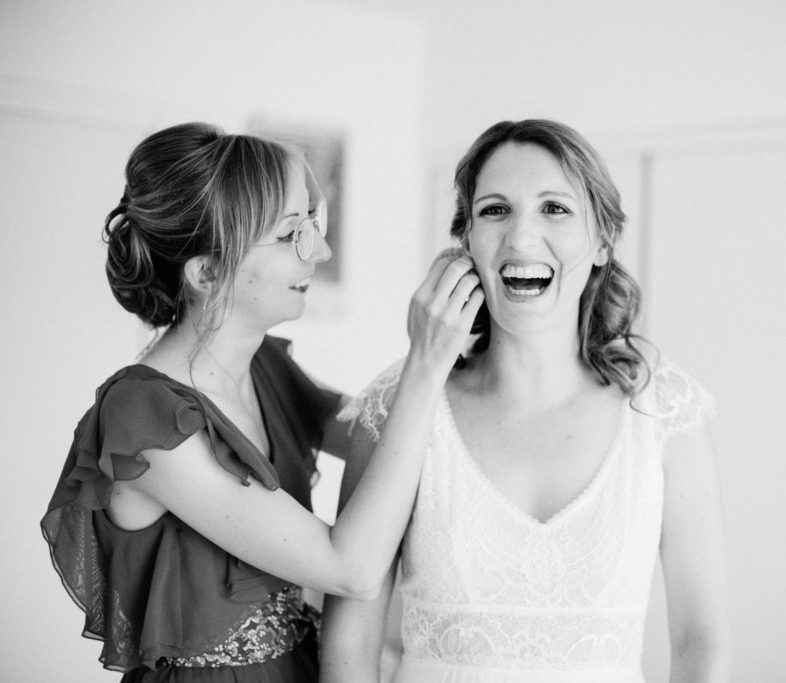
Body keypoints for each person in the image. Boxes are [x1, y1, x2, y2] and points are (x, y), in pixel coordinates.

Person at [40, 122, 484, 682]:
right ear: (207, 272)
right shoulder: (143, 417)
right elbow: (351, 569)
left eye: (313, 224)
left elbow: (383, 433)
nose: (320, 251)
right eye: (291, 233)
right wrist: (425, 360)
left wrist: (484, 358)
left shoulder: (263, 366)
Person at [320, 119, 731, 683]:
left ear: (602, 242)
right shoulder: (398, 403)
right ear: (466, 242)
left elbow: (700, 641)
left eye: (554, 209)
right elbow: (350, 643)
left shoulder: (665, 412)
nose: (520, 237)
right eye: (495, 210)